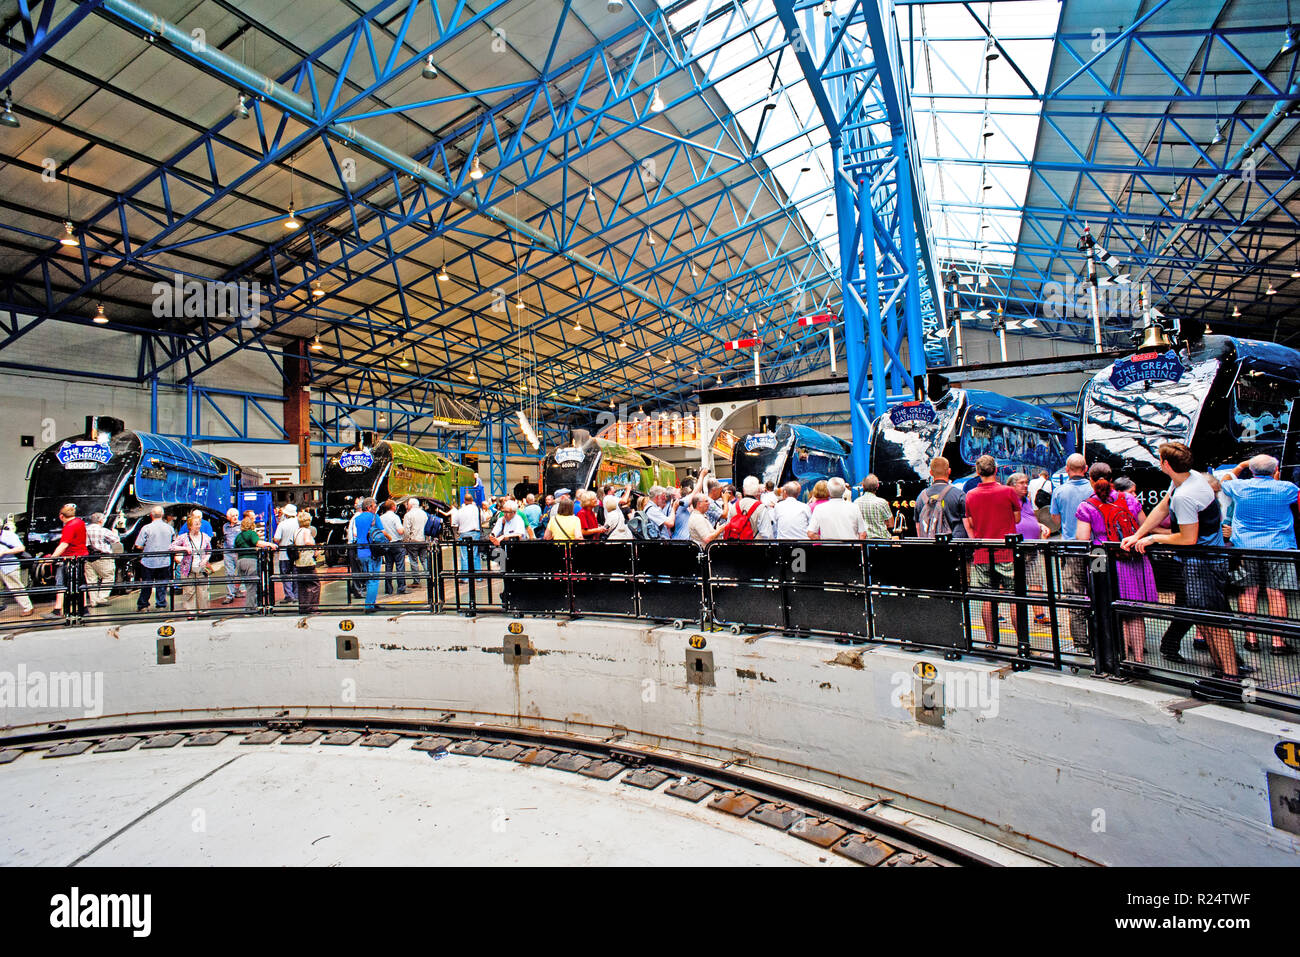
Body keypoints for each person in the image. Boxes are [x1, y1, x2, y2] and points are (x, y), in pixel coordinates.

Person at [1121, 442, 1245, 680]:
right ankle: (1224, 673)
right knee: (1206, 620)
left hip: (1204, 563)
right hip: (1202, 562)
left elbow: (1188, 538)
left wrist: (1152, 538)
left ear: (1166, 465)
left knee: (1213, 622)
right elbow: (1162, 507)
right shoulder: (1187, 480)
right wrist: (1138, 534)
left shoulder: (1186, 496)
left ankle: (1230, 676)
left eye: (1159, 459)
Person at [1075, 463, 1156, 663]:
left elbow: (1082, 538)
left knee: (1110, 607)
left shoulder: (1086, 505)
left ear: (1091, 480)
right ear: (1112, 479)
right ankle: (1139, 659)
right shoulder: (1129, 499)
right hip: (1132, 556)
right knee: (1135, 612)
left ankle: (1122, 659)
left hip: (1101, 557)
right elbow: (1144, 526)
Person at [1219, 453, 1298, 656]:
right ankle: (1277, 642)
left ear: (1251, 471)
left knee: (1248, 591)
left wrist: (1240, 465)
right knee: (1276, 592)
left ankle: (1251, 639)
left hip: (1246, 546)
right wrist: (1277, 479)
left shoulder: (1240, 487)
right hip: (1278, 547)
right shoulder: (1287, 488)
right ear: (1275, 471)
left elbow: (1225, 480)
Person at [963, 456, 1023, 646]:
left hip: (982, 553)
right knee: (1015, 598)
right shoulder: (1008, 492)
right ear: (996, 470)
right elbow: (1017, 518)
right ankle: (1023, 643)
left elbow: (971, 522)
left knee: (987, 599)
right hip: (1006, 552)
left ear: (978, 472)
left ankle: (991, 642)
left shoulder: (970, 495)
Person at [1049, 454, 1093, 649]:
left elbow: (1056, 519)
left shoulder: (1059, 492)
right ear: (1086, 468)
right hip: (1096, 551)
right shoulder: (1094, 489)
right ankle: (1100, 636)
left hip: (1071, 550)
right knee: (1098, 591)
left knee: (1074, 596)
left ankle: (1081, 642)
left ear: (1067, 469)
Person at [1008, 473, 1053, 624]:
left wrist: (1040, 525)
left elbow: (1030, 518)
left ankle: (1039, 615)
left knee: (1035, 580)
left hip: (1032, 546)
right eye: (1021, 483)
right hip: (1016, 548)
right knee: (1010, 584)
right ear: (1012, 486)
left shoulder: (1026, 500)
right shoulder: (1008, 501)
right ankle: (997, 611)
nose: (1025, 486)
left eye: (1026, 482)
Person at [45, 504, 88, 618]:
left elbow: (64, 544)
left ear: (61, 516)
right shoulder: (80, 522)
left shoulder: (69, 526)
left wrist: (52, 558)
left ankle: (58, 609)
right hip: (80, 556)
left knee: (61, 582)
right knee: (79, 582)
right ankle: (83, 608)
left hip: (70, 558)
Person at [169, 512, 216, 612]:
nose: (198, 526)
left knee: (202, 590)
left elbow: (209, 550)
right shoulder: (184, 537)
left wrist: (205, 559)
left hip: (201, 567)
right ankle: (190, 611)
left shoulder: (205, 537)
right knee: (188, 590)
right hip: (187, 568)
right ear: (190, 526)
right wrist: (184, 548)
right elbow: (171, 547)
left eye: (199, 524)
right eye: (196, 524)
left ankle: (203, 609)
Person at [914, 457, 966, 539]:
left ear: (931, 472)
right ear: (949, 471)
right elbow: (967, 523)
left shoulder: (921, 497)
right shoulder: (959, 495)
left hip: (930, 546)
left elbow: (918, 526)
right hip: (954, 546)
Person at [135, 505, 174, 611]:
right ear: (162, 515)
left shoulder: (146, 528)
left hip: (149, 561)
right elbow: (174, 542)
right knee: (162, 584)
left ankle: (143, 605)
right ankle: (161, 604)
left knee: (147, 584)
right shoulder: (169, 528)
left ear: (151, 515)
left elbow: (138, 545)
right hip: (164, 561)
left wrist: (148, 546)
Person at [350, 498, 384, 614]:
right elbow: (381, 532)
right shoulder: (375, 517)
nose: (376, 509)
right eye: (375, 507)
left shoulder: (357, 519)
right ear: (369, 507)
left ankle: (372, 602)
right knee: (373, 579)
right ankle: (369, 605)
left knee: (369, 577)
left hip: (361, 551)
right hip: (372, 551)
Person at [84, 511, 121, 608]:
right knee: (108, 577)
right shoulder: (103, 530)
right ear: (101, 521)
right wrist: (115, 533)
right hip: (103, 558)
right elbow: (116, 540)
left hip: (88, 558)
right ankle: (102, 598)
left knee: (91, 580)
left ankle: (93, 601)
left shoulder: (84, 530)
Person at [231, 515, 265, 609]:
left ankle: (251, 605)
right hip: (251, 561)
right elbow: (258, 543)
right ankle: (250, 607)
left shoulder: (238, 536)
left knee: (247, 584)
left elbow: (235, 549)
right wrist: (270, 544)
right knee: (252, 586)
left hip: (241, 561)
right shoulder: (252, 533)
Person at [0, 524, 33, 616]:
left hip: (9, 565)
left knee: (16, 587)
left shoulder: (9, 535)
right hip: (3, 565)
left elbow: (21, 548)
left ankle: (27, 607)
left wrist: (4, 552)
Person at [292, 510, 320, 613]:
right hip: (307, 560)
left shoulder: (296, 531)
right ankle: (313, 607)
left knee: (302, 585)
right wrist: (316, 549)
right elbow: (307, 541)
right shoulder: (306, 531)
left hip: (298, 561)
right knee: (315, 584)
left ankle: (303, 606)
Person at [273, 503, 299, 604]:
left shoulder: (282, 524)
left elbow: (276, 538)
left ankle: (289, 595)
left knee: (285, 575)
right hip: (296, 554)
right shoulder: (298, 523)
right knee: (296, 574)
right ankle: (296, 595)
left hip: (284, 554)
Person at [379, 499, 406, 595]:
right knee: (400, 565)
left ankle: (388, 588)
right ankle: (401, 587)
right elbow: (400, 531)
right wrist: (403, 529)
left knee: (388, 566)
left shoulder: (381, 518)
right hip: (397, 543)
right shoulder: (395, 517)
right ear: (393, 507)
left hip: (386, 544)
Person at [854, 475, 894, 540]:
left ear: (863, 486)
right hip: (882, 541)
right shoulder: (882, 502)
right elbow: (891, 524)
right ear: (877, 486)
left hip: (864, 541)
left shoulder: (856, 502)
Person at [218, 508, 242, 605]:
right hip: (228, 552)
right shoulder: (225, 526)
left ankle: (237, 589)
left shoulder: (241, 525)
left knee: (241, 572)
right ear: (228, 517)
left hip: (238, 552)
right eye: (233, 516)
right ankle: (230, 594)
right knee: (229, 573)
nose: (235, 517)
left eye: (236, 515)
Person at [451, 491, 481, 572]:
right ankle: (478, 575)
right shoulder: (477, 509)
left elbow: (454, 523)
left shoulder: (460, 510)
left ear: (464, 501)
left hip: (464, 534)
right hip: (476, 533)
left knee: (465, 556)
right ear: (472, 500)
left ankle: (465, 577)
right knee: (475, 555)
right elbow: (483, 519)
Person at [402, 497, 429, 576]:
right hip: (423, 540)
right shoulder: (424, 514)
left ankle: (416, 580)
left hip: (413, 541)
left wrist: (405, 540)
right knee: (424, 559)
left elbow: (406, 530)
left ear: (410, 505)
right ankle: (429, 576)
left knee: (413, 560)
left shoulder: (408, 515)